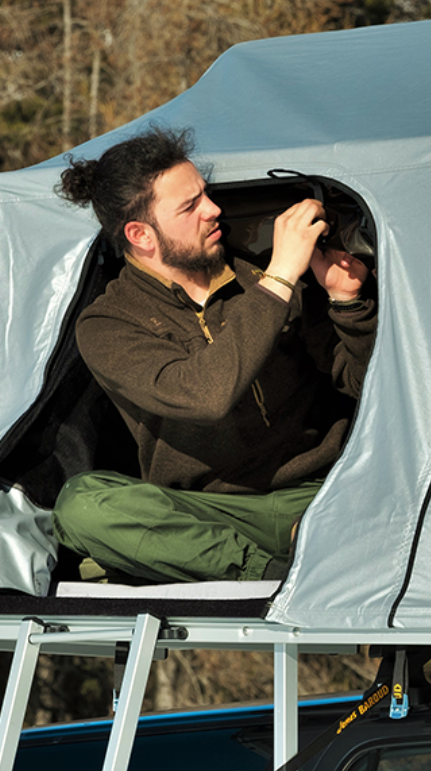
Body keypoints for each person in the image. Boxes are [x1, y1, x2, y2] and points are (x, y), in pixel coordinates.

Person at [52, 123, 376, 583]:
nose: (214, 210)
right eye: (191, 205)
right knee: (82, 506)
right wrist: (280, 277)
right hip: (211, 515)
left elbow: (363, 385)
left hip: (322, 494)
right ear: (141, 235)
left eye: (205, 194)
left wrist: (348, 304)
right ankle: (267, 575)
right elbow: (204, 395)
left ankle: (307, 549)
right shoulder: (107, 324)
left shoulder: (259, 278)